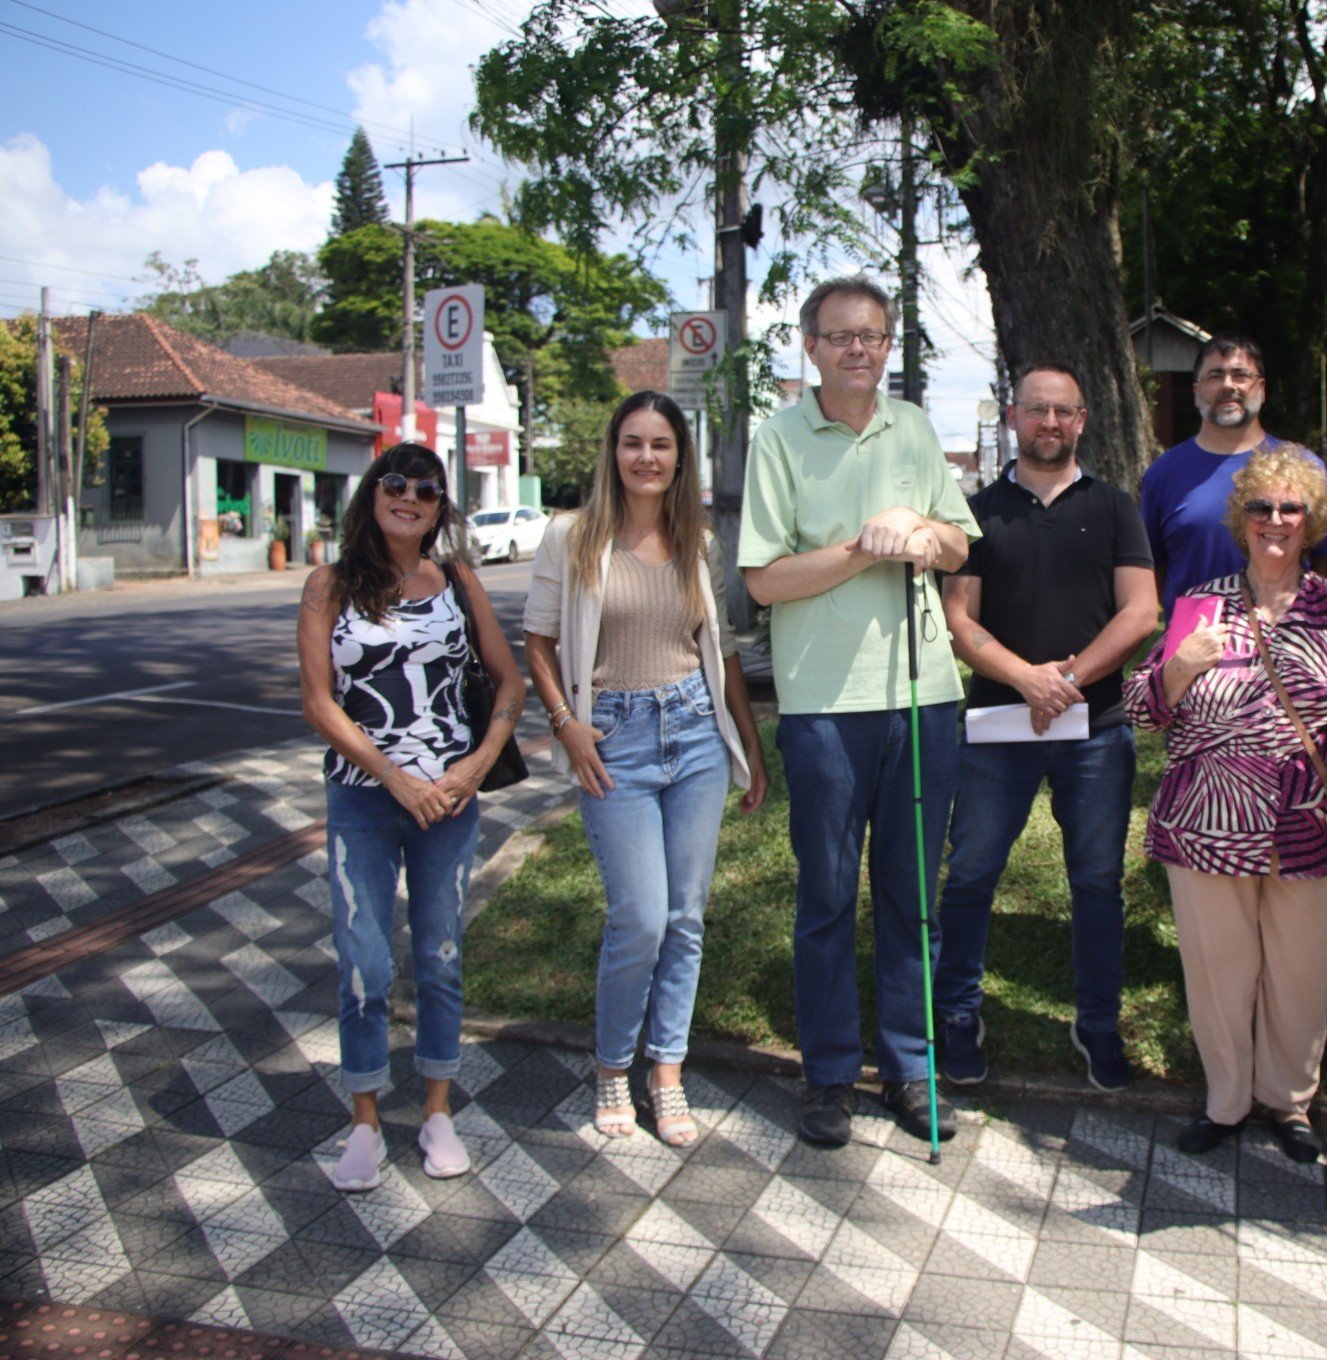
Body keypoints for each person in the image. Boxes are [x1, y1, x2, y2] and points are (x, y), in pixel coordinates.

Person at [737, 276, 979, 1147]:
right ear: (810, 347)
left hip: (923, 698)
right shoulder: (778, 438)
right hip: (824, 706)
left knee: (913, 896)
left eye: (871, 335)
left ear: (886, 344)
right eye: (839, 336)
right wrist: (858, 548)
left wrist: (920, 529)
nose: (857, 349)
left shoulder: (912, 429)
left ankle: (911, 1070)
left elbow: (957, 542)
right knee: (829, 895)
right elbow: (763, 577)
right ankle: (830, 1074)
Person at [1125, 444, 1327, 1163]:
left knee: (1300, 971)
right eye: (1261, 507)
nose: (1275, 520)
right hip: (1207, 824)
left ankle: (1289, 1103)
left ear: (1311, 521)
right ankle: (1225, 1103)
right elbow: (1139, 708)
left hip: (1311, 822)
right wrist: (1177, 671)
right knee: (1220, 972)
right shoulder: (1201, 604)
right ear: (1241, 519)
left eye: (1291, 508)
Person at [524, 390, 767, 1147]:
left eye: (661, 444)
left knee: (685, 916)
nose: (646, 457)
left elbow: (720, 647)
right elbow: (538, 640)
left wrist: (749, 745)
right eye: (633, 442)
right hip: (615, 737)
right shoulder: (570, 537)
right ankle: (609, 1066)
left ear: (679, 456)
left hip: (695, 732)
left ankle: (667, 1070)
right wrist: (568, 727)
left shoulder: (697, 543)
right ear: (613, 451)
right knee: (638, 915)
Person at [297, 441, 525, 1192]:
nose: (410, 497)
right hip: (365, 798)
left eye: (427, 489)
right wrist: (394, 777)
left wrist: (474, 765)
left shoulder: (457, 580)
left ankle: (436, 1111)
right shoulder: (330, 585)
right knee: (364, 961)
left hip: (449, 802)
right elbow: (319, 702)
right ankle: (363, 1121)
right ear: (372, 493)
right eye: (396, 483)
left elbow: (509, 683)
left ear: (439, 507)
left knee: (439, 957)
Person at [934, 363, 1159, 1092]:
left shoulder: (1117, 507)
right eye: (1037, 411)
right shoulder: (976, 511)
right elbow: (958, 619)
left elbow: (1140, 613)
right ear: (1012, 417)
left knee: (1097, 883)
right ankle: (959, 1016)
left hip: (1095, 730)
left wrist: (1066, 682)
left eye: (1064, 411)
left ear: (1083, 419)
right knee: (970, 876)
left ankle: (1096, 1025)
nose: (1050, 424)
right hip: (996, 724)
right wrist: (1028, 678)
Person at [1139, 333, 1327, 613]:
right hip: (1194, 641)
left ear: (1261, 388)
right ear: (1197, 390)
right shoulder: (1162, 474)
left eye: (1240, 375)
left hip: (1283, 638)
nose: (1228, 385)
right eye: (1215, 376)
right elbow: (1152, 569)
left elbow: (1326, 561)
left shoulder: (1302, 468)